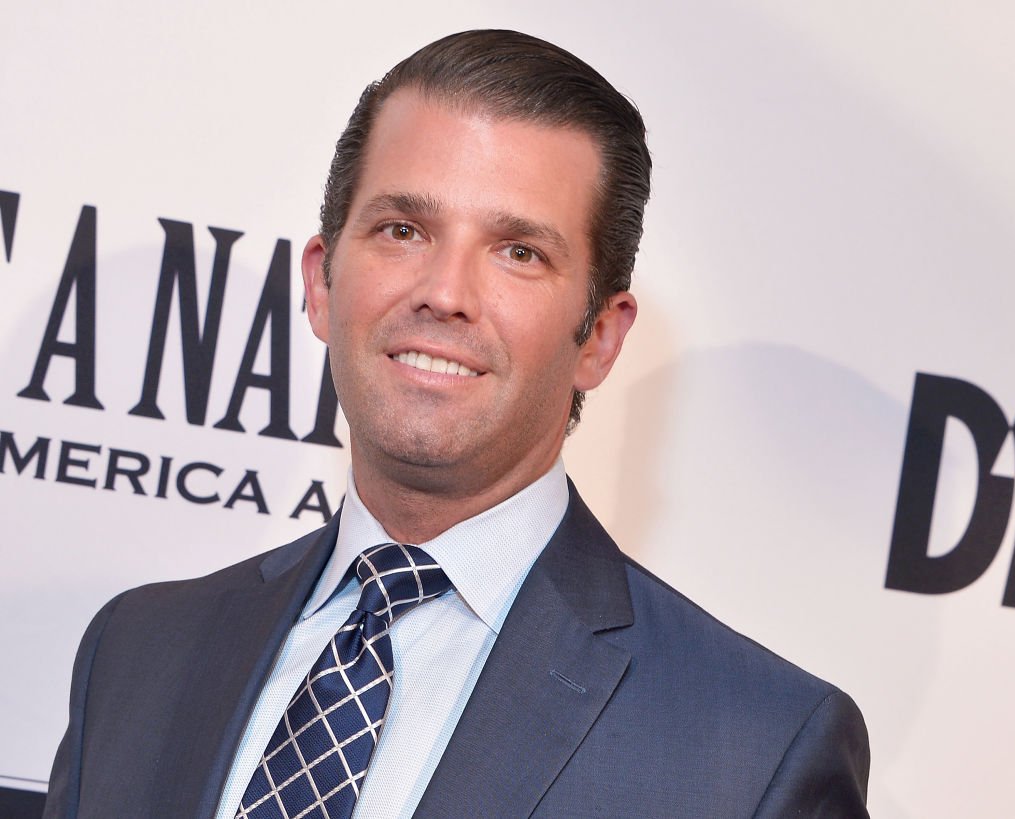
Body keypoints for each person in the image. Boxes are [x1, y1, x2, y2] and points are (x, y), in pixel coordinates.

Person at [43, 30, 870, 818]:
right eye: (403, 230)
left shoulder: (753, 753)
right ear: (323, 285)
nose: (444, 291)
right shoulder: (136, 652)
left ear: (601, 338)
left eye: (519, 252)